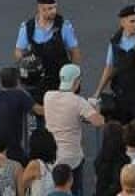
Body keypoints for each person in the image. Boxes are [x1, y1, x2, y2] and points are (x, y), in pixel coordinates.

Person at [44, 64, 105, 192]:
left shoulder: (48, 96)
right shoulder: (78, 102)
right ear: (76, 81)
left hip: (52, 156)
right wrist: (94, 106)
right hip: (72, 159)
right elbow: (99, 121)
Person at [14, 0, 82, 105]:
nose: (53, 11)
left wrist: (74, 75)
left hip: (60, 81)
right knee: (40, 117)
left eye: (55, 7)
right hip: (39, 83)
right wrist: (27, 64)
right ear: (40, 8)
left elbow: (74, 52)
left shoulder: (64, 26)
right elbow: (18, 51)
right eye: (49, 8)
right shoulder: (27, 27)